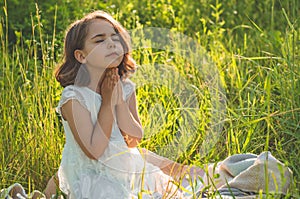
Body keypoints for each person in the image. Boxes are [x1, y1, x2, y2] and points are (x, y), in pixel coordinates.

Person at [52, 10, 202, 199]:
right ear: (82, 56)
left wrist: (119, 101)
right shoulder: (74, 97)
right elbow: (94, 151)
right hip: (91, 175)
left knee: (165, 190)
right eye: (99, 40)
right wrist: (107, 103)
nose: (111, 44)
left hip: (126, 167)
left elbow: (133, 140)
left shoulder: (125, 87)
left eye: (115, 38)